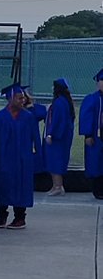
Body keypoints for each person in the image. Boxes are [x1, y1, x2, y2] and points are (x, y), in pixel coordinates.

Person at [0, 83, 42, 229]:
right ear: (10, 98)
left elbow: (36, 139)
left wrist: (37, 158)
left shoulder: (28, 117)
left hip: (22, 160)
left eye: (23, 98)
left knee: (21, 187)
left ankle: (20, 217)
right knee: (3, 186)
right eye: (19, 98)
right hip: (4, 159)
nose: (22, 101)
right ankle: (2, 216)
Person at [43, 78, 75, 196]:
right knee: (57, 160)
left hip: (58, 138)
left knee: (55, 161)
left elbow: (57, 121)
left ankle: (57, 186)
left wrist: (51, 133)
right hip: (64, 136)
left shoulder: (59, 102)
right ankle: (57, 185)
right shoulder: (65, 101)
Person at [79, 69, 103, 199]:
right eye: (102, 81)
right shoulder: (92, 99)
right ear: (97, 83)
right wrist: (87, 135)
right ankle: (98, 190)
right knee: (96, 163)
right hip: (96, 136)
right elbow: (86, 117)